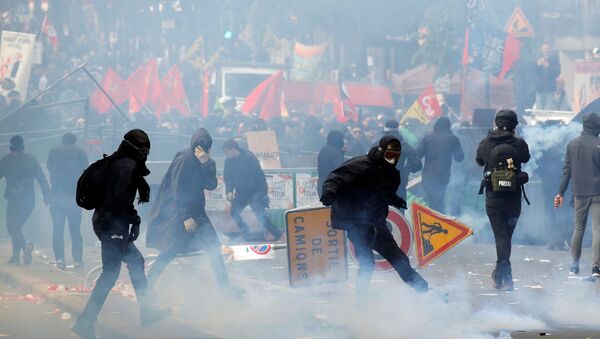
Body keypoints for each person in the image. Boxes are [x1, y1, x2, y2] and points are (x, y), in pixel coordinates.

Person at [73, 130, 170, 339]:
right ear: (136, 149)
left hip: (107, 223)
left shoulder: (117, 162)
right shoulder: (128, 166)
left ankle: (148, 311)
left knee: (135, 263)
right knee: (110, 274)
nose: (145, 154)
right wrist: (133, 220)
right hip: (112, 226)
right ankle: (85, 322)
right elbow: (119, 200)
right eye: (143, 150)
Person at [320, 136, 428, 302]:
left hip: (377, 221)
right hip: (355, 220)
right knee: (367, 261)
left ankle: (425, 292)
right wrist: (330, 192)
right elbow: (335, 178)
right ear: (381, 151)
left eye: (396, 155)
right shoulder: (359, 165)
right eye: (389, 154)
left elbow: (383, 191)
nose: (393, 159)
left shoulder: (392, 174)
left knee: (399, 259)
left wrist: (395, 199)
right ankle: (361, 302)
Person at [146, 128, 242, 297]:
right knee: (170, 250)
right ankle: (146, 287)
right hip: (179, 214)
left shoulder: (207, 162)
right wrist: (185, 216)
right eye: (201, 146)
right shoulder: (184, 160)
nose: (204, 150)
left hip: (197, 212)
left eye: (207, 147)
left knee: (214, 248)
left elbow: (211, 185)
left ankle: (225, 288)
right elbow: (177, 190)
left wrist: (206, 164)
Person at [476, 110, 530, 290]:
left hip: (493, 198)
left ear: (496, 123)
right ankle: (504, 275)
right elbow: (526, 158)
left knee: (501, 237)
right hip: (514, 199)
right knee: (507, 237)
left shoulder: (486, 143)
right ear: (514, 125)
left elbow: (478, 161)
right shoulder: (519, 143)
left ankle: (502, 275)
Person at [555, 113, 600, 277]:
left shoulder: (572, 144)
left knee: (578, 228)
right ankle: (596, 268)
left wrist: (560, 192)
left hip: (579, 193)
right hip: (598, 192)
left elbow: (566, 171)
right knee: (598, 229)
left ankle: (574, 266)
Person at [0, 135, 50, 265]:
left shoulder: (6, 160)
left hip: (15, 200)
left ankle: (24, 246)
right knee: (16, 227)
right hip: (28, 200)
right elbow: (41, 178)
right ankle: (16, 256)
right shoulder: (31, 159)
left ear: (11, 148)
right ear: (22, 147)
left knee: (13, 227)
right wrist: (46, 195)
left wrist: (47, 194)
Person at [222, 139, 281, 241]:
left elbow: (259, 176)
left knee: (261, 216)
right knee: (234, 213)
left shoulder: (249, 157)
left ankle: (278, 235)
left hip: (254, 194)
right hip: (240, 194)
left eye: (227, 152)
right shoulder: (228, 161)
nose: (226, 154)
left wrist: (263, 194)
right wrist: (229, 191)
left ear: (233, 149)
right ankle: (246, 232)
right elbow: (228, 178)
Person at [46, 132, 89, 269]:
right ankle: (77, 259)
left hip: (57, 197)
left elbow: (49, 167)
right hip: (74, 198)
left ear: (62, 141)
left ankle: (60, 259)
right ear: (75, 141)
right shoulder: (81, 152)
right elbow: (86, 171)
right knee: (75, 230)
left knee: (58, 230)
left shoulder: (54, 151)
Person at [416, 117, 464, 213]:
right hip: (442, 177)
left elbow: (417, 155)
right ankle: (439, 223)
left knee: (433, 203)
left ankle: (434, 222)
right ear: (448, 127)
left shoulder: (427, 138)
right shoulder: (452, 138)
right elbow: (459, 158)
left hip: (427, 177)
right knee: (439, 204)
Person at [379, 120, 422, 205]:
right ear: (398, 130)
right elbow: (417, 164)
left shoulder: (377, 144)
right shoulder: (404, 145)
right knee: (399, 208)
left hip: (381, 181)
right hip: (399, 180)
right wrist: (406, 172)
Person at [317, 130, 345, 197]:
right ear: (338, 140)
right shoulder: (335, 152)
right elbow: (340, 169)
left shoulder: (323, 149)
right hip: (332, 186)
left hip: (322, 184)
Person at [534, 41, 561, 110]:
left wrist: (548, 66)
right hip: (540, 89)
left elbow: (558, 72)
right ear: (542, 49)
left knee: (549, 110)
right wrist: (537, 66)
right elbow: (532, 72)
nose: (546, 50)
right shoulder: (537, 58)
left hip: (550, 89)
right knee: (539, 110)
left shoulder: (554, 59)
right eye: (544, 48)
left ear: (550, 49)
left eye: (547, 48)